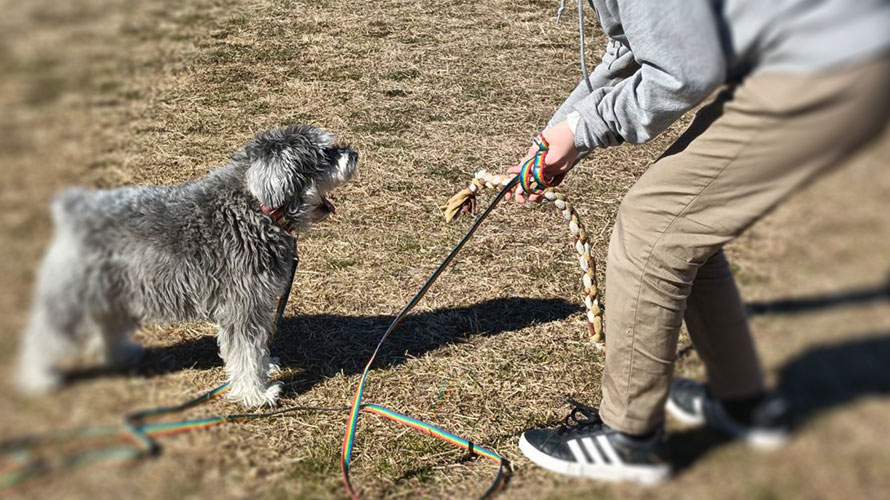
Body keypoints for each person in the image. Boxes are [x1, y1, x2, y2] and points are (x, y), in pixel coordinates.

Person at [509, 0, 890, 485]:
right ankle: (744, 401)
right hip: (827, 55)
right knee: (682, 223)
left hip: (828, 65)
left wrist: (582, 130)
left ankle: (629, 437)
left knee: (653, 223)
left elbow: (683, 73)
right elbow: (631, 48)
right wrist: (556, 136)